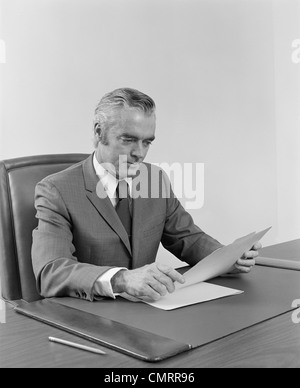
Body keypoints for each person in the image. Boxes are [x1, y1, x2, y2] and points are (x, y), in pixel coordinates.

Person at [32, 88, 261, 303]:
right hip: (90, 317)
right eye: (128, 140)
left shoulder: (154, 179)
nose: (139, 154)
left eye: (147, 142)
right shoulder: (56, 190)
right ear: (98, 132)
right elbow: (51, 271)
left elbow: (187, 238)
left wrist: (226, 258)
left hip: (148, 314)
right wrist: (122, 279)